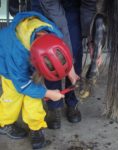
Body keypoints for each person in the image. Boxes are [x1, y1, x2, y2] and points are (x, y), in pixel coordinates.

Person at [0, 11, 79, 149]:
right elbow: (23, 86)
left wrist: (71, 73)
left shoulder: (52, 32)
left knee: (34, 98)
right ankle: (5, 123)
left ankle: (36, 127)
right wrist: (48, 93)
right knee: (12, 97)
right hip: (9, 68)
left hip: (26, 59)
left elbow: (62, 53)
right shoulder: (15, 54)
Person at [31, 0, 83, 129]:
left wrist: (93, 42)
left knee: (75, 47)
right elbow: (58, 21)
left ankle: (71, 99)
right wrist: (69, 64)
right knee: (49, 51)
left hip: (72, 5)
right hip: (45, 4)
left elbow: (90, 7)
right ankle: (54, 105)